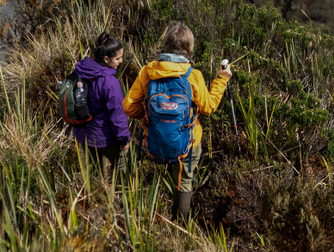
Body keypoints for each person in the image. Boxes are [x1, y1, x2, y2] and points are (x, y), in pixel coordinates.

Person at [122, 22, 232, 220]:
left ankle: (150, 212)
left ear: (165, 45)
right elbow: (208, 108)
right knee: (184, 182)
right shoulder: (193, 75)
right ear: (189, 49)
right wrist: (222, 79)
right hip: (187, 141)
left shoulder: (148, 71)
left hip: (154, 139)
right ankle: (179, 227)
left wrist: (151, 117)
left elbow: (129, 107)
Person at [72, 32, 131, 178]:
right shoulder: (110, 83)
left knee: (92, 175)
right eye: (117, 58)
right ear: (106, 59)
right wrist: (123, 139)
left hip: (83, 134)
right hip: (105, 138)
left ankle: (93, 198)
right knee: (122, 172)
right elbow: (117, 115)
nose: (121, 61)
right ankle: (121, 196)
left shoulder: (80, 72)